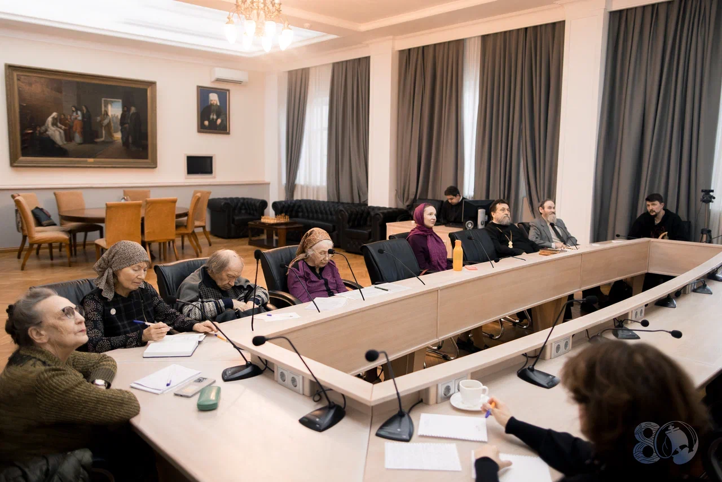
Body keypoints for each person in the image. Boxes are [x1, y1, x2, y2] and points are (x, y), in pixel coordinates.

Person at [473, 341, 710, 481]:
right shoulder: (654, 461)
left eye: (582, 401)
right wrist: (513, 424)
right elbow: (579, 452)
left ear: (604, 416)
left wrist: (486, 465)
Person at [0, 288, 157, 481]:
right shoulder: (44, 379)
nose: (81, 319)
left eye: (76, 311)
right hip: (47, 469)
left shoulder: (45, 355)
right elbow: (127, 403)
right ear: (38, 334)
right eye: (66, 314)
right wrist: (94, 395)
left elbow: (102, 360)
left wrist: (97, 386)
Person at [82, 241, 216, 353]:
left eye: (145, 270)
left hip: (150, 353)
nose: (142, 276)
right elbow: (94, 344)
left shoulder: (144, 289)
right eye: (136, 269)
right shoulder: (94, 301)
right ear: (116, 269)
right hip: (118, 361)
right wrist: (141, 336)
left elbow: (168, 315)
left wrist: (195, 325)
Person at [177, 249, 270, 322]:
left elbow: (262, 291)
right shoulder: (193, 284)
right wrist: (228, 303)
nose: (232, 283)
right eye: (230, 276)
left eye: (236, 277)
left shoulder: (235, 280)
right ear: (214, 268)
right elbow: (189, 312)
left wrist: (253, 302)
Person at [286, 228, 348, 303]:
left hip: (338, 304)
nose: (327, 258)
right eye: (322, 253)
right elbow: (302, 301)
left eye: (329, 253)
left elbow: (342, 290)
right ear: (309, 252)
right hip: (315, 308)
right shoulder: (298, 269)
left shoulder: (331, 265)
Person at [407, 203, 449, 273]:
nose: (434, 218)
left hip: (441, 272)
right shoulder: (414, 238)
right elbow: (421, 266)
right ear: (420, 216)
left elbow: (443, 260)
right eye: (430, 214)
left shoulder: (432, 234)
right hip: (430, 275)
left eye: (435, 215)